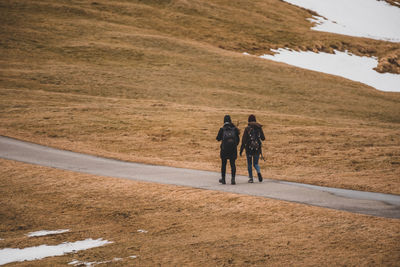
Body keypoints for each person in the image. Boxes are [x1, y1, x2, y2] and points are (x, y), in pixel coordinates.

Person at [240, 114, 265, 183]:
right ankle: (258, 172)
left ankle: (251, 178)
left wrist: (241, 150)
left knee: (249, 164)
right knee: (256, 164)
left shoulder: (247, 128)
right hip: (257, 148)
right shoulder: (259, 127)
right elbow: (263, 138)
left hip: (249, 149)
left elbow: (243, 140)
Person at [216, 115, 240, 185]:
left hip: (224, 150)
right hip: (233, 150)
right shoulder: (234, 129)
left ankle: (223, 179)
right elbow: (238, 140)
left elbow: (218, 138)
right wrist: (235, 145)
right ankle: (233, 179)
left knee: (224, 164)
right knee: (233, 164)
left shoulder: (222, 129)